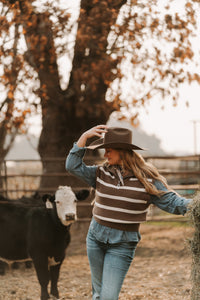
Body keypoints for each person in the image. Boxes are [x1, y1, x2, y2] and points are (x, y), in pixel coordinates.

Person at [65, 125, 192, 300]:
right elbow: (72, 166)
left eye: (108, 151)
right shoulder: (100, 172)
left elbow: (172, 202)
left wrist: (195, 206)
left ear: (123, 151)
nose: (105, 155)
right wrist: (84, 137)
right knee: (98, 295)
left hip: (122, 245)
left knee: (108, 297)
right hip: (95, 238)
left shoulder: (147, 179)